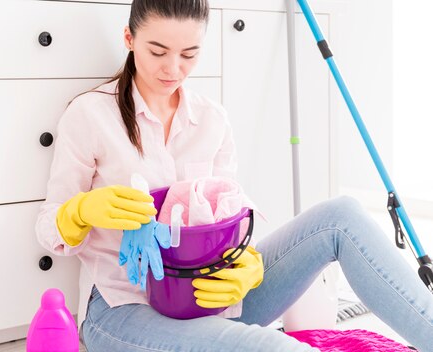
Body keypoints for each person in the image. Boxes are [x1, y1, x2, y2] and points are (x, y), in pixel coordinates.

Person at [35, 0, 433, 350]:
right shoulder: (91, 115)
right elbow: (49, 229)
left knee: (342, 217)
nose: (173, 69)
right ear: (129, 38)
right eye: (158, 51)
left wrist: (249, 265)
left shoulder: (211, 119)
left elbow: (233, 212)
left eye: (189, 54)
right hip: (124, 310)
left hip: (211, 297)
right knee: (271, 347)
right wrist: (81, 210)